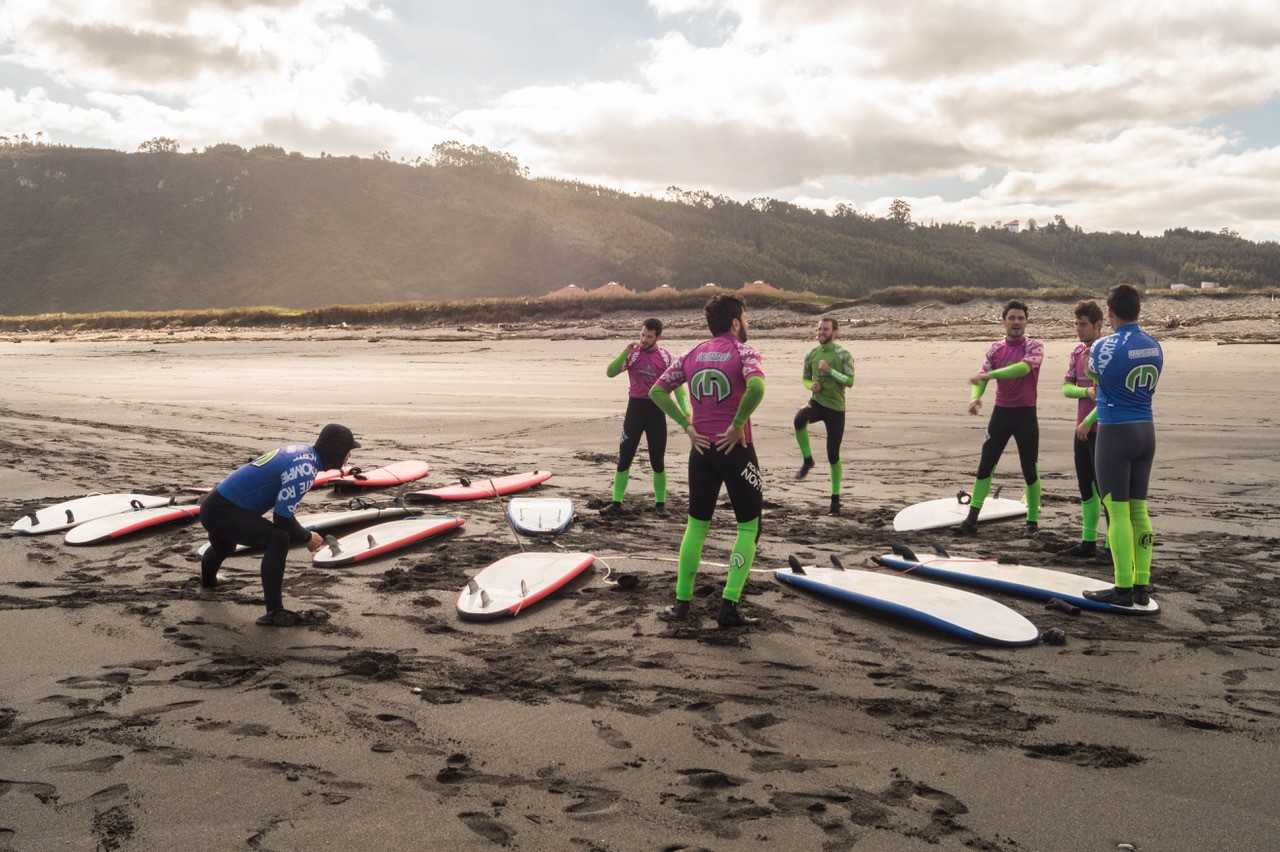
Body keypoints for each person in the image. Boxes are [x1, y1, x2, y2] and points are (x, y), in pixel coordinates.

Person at [649, 293, 765, 628]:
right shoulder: (744, 351)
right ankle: (728, 606)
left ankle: (682, 604)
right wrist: (737, 424)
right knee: (748, 526)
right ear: (735, 322)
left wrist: (687, 425)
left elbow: (658, 391)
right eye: (745, 318)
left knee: (697, 526)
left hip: (700, 451)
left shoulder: (691, 353)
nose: (747, 324)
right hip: (735, 450)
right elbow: (756, 389)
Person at [199, 423, 360, 626]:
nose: (349, 457)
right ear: (337, 452)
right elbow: (282, 519)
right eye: (348, 452)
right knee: (278, 538)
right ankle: (274, 611)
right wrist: (307, 537)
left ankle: (209, 582)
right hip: (221, 510)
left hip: (214, 504)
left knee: (224, 545)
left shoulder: (304, 454)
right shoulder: (305, 469)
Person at [1082, 284, 1163, 607]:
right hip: (1146, 430)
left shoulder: (1103, 345)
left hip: (1116, 431)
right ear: (1138, 310)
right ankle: (1142, 586)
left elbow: (1094, 375)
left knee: (1117, 512)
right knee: (1138, 510)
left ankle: (1122, 588)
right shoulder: (1154, 345)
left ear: (1110, 312)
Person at [960, 300, 1044, 535]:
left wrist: (989, 375)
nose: (1016, 322)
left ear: (1026, 322)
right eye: (1012, 318)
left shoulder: (1034, 346)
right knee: (986, 464)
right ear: (1003, 321)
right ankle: (971, 519)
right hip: (1001, 413)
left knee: (1029, 468)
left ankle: (1032, 522)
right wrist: (974, 397)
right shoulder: (995, 349)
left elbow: (1022, 369)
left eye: (1021, 318)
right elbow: (980, 378)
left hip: (1026, 414)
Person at [601, 318, 689, 518]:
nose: (644, 339)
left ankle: (660, 505)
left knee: (657, 461)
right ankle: (616, 504)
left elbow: (679, 389)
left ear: (658, 337)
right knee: (624, 459)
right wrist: (625, 351)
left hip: (656, 412)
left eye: (649, 336)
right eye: (642, 335)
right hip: (635, 411)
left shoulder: (667, 358)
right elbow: (610, 372)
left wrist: (687, 413)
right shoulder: (632, 355)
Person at [794, 317, 855, 515]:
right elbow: (805, 379)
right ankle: (807, 460)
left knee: (833, 456)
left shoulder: (843, 354)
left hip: (836, 409)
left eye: (825, 329)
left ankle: (835, 501)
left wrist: (830, 371)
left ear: (835, 332)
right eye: (819, 329)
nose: (821, 332)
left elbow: (850, 381)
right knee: (799, 419)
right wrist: (810, 386)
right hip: (817, 403)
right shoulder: (811, 354)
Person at [1060, 300, 1106, 558]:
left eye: (1083, 324)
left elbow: (1109, 394)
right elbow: (1066, 388)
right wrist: (1086, 390)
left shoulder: (1107, 351)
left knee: (1106, 493)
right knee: (1086, 490)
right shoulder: (1077, 352)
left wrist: (1089, 421)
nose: (1078, 328)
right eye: (1076, 323)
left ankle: (1111, 547)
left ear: (1098, 324)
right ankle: (1088, 542)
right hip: (1081, 431)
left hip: (1102, 430)